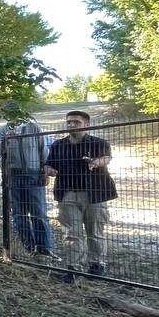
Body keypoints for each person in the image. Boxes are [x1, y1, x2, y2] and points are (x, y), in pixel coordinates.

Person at [45, 110, 117, 281]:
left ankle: (96, 264)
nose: (71, 125)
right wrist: (49, 170)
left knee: (95, 232)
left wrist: (96, 162)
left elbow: (106, 158)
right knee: (72, 234)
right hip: (67, 194)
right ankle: (74, 268)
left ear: (86, 124)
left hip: (95, 194)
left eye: (76, 122)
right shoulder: (58, 145)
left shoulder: (98, 143)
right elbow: (48, 164)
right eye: (69, 122)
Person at [0, 100, 54, 257]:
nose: (12, 116)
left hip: (34, 173)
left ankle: (45, 249)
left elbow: (43, 148)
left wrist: (44, 171)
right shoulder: (2, 130)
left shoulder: (33, 127)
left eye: (15, 112)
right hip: (13, 176)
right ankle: (29, 247)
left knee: (39, 212)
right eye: (9, 113)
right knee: (19, 214)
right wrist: (5, 141)